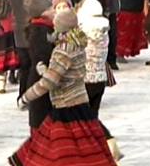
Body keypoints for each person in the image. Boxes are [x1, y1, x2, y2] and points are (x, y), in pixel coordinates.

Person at [10, 9, 116, 166]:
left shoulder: (63, 50)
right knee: (83, 147)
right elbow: (68, 73)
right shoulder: (78, 44)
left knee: (64, 153)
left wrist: (26, 97)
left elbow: (50, 82)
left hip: (66, 107)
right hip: (79, 103)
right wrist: (44, 70)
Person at [77, 0, 123, 163]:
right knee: (91, 117)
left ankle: (108, 145)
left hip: (84, 79)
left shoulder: (82, 30)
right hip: (99, 79)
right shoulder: (103, 29)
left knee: (81, 118)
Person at [10, 0, 48, 98]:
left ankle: (22, 94)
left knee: (24, 66)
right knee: (35, 65)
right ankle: (32, 95)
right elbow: (46, 8)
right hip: (34, 30)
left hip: (18, 30)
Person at [25, 0, 55, 133]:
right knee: (40, 117)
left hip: (44, 76)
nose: (54, 11)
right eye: (51, 9)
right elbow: (41, 54)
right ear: (42, 12)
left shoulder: (46, 28)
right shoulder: (39, 30)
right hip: (40, 77)